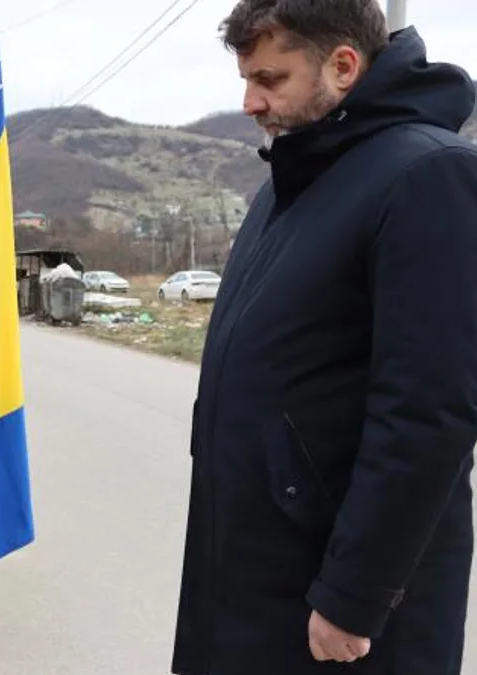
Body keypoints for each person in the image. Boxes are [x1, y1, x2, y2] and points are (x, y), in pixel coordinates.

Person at [173, 3, 477, 674]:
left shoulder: (427, 174)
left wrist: (356, 594)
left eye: (271, 79)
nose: (250, 101)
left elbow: (427, 413)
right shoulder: (292, 181)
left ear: (343, 65)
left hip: (338, 597)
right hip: (255, 567)